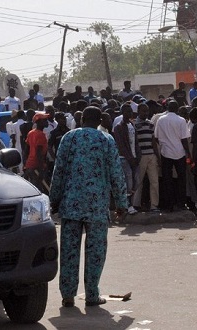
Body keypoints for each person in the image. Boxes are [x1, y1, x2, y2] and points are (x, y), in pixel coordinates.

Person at [49, 106, 127, 308]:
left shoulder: (69, 138)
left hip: (71, 205)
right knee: (96, 252)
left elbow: (59, 171)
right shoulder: (106, 140)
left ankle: (68, 295)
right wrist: (121, 203)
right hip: (97, 206)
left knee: (69, 251)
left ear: (82, 119)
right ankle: (92, 294)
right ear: (100, 120)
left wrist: (54, 200)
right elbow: (116, 173)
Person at [154, 100, 191, 212]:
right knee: (181, 179)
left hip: (166, 153)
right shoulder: (181, 120)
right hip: (179, 153)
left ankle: (168, 205)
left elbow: (156, 137)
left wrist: (164, 143)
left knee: (167, 179)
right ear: (177, 109)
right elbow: (184, 139)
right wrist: (188, 153)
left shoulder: (160, 120)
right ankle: (181, 203)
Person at [133, 103, 160, 212]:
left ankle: (154, 205)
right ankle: (136, 205)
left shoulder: (151, 124)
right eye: (143, 111)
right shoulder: (134, 124)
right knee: (138, 182)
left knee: (154, 181)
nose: (146, 113)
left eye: (147, 111)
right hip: (141, 156)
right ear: (139, 111)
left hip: (151, 155)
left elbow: (153, 141)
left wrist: (157, 156)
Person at [113, 103, 140, 215]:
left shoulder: (132, 125)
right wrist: (130, 158)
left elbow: (136, 142)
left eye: (130, 111)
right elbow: (121, 145)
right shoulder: (118, 127)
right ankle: (128, 205)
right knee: (128, 181)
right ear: (122, 113)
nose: (130, 113)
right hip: (124, 158)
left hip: (134, 157)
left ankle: (128, 203)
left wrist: (138, 156)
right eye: (127, 111)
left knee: (136, 181)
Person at [24, 113, 49, 193]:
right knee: (38, 191)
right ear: (39, 122)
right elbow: (38, 153)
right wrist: (41, 169)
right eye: (44, 120)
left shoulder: (31, 133)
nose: (47, 122)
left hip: (30, 166)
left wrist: (25, 164)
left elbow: (26, 150)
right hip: (36, 167)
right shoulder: (40, 135)